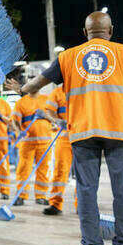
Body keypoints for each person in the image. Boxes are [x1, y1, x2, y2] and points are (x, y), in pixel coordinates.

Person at [5, 11, 123, 245]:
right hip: (121, 129)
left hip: (83, 131)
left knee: (86, 190)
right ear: (110, 31)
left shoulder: (68, 56)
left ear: (85, 32)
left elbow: (37, 84)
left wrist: (20, 88)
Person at [10, 88, 54, 206]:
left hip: (45, 142)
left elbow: (54, 118)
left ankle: (41, 196)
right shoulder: (21, 102)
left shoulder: (47, 99)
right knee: (24, 169)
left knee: (43, 170)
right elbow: (14, 120)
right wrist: (19, 131)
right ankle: (20, 195)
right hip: (27, 141)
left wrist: (45, 115)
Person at [43, 84, 74, 215]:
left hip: (84, 137)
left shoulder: (86, 88)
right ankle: (55, 204)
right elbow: (49, 110)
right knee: (60, 170)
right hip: (64, 139)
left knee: (84, 173)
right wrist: (56, 120)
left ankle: (84, 205)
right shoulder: (57, 92)